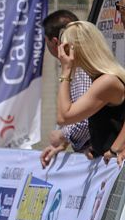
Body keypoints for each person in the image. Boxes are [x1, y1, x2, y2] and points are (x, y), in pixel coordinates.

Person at [52, 20, 125, 165]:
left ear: (77, 50)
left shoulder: (107, 81)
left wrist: (65, 71)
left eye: (66, 48)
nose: (62, 54)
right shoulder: (101, 78)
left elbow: (64, 116)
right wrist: (97, 147)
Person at [39, 10, 92, 167]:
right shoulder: (74, 67)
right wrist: (62, 144)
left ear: (55, 42)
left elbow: (85, 118)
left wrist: (63, 135)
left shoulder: (81, 68)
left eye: (46, 41)